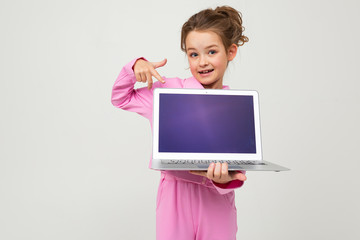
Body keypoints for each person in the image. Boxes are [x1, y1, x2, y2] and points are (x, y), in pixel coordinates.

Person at [111, 5, 249, 240]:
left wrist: (225, 179)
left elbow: (239, 168)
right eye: (194, 54)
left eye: (212, 52)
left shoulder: (234, 106)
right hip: (174, 197)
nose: (202, 62)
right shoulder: (168, 91)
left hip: (217, 201)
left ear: (231, 51)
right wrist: (135, 68)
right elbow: (120, 98)